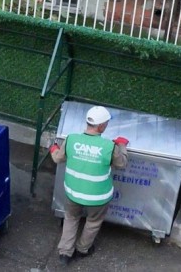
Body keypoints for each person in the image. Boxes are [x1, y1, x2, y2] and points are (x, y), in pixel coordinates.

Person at [48, 105, 129, 267]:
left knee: (71, 218)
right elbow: (122, 163)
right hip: (98, 197)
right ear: (101, 126)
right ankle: (83, 249)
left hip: (73, 193)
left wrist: (53, 148)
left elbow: (57, 158)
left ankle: (65, 253)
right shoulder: (109, 146)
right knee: (93, 221)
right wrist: (122, 146)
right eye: (106, 123)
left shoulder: (71, 139)